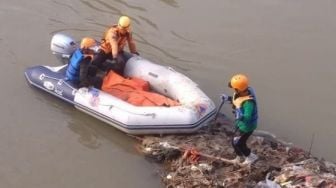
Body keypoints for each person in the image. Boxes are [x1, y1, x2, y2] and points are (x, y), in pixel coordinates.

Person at [221, 74, 259, 165]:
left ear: (238, 89)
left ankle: (251, 157)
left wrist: (239, 112)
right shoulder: (242, 92)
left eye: (234, 88)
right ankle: (238, 157)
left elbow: (247, 117)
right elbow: (236, 101)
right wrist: (228, 98)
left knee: (239, 143)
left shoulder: (249, 102)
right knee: (234, 142)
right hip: (240, 124)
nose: (233, 89)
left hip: (247, 127)